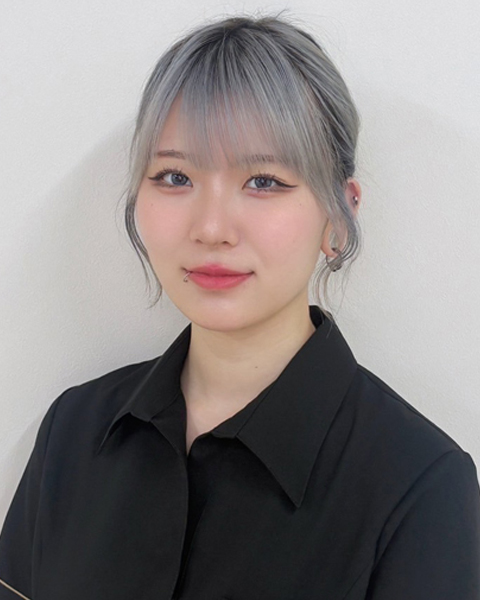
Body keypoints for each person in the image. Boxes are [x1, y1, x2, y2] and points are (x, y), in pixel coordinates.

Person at [0, 13, 479, 600]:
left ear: (339, 214)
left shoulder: (420, 487)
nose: (211, 227)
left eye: (264, 181)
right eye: (175, 176)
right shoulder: (74, 431)